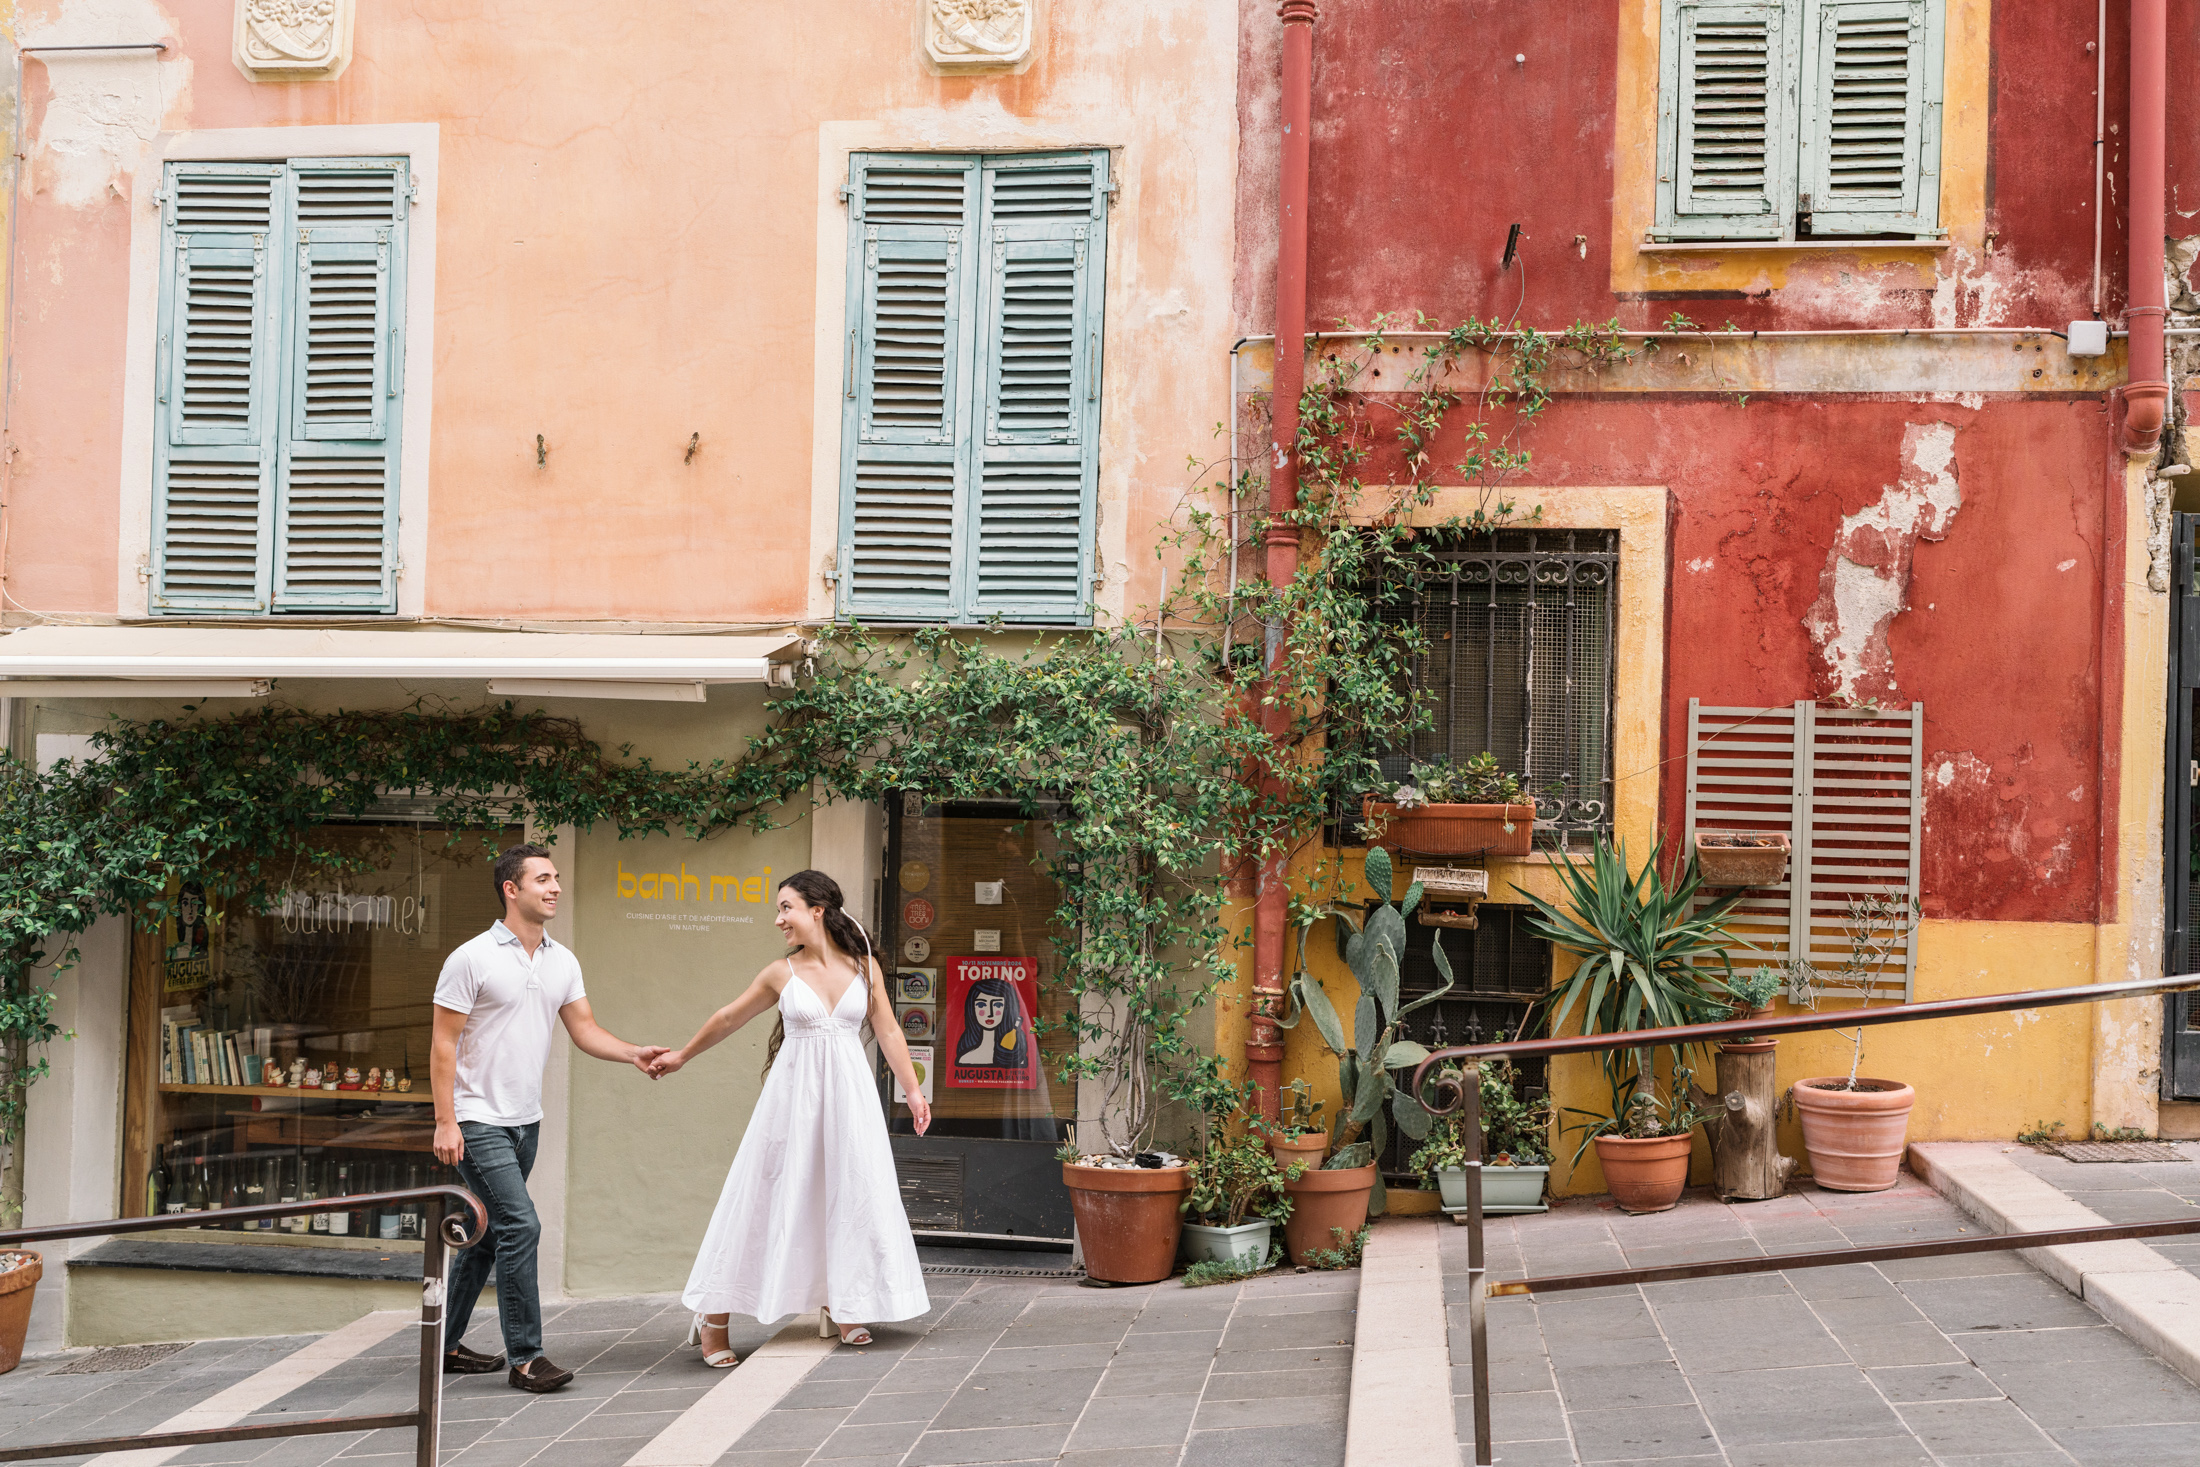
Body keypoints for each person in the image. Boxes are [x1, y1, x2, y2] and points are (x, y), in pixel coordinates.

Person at [650, 869, 930, 1364]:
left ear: (816, 911)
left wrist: (912, 1092)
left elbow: (887, 1029)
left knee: (852, 1192)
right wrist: (682, 1056)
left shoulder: (864, 968)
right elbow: (729, 1016)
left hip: (850, 1100)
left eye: (786, 907)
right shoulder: (782, 972)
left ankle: (846, 1302)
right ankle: (714, 1318)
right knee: (760, 1194)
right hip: (791, 1102)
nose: (778, 919)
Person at [432, 843, 668, 1393]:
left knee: (489, 1234)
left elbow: (584, 1030)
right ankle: (527, 1359)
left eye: (557, 877)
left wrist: (633, 1052)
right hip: (476, 1117)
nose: (555, 886)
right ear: (511, 890)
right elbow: (443, 1045)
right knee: (522, 1225)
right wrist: (446, 1120)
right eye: (543, 878)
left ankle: (442, 1343)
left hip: (524, 1120)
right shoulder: (470, 958)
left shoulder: (563, 960)